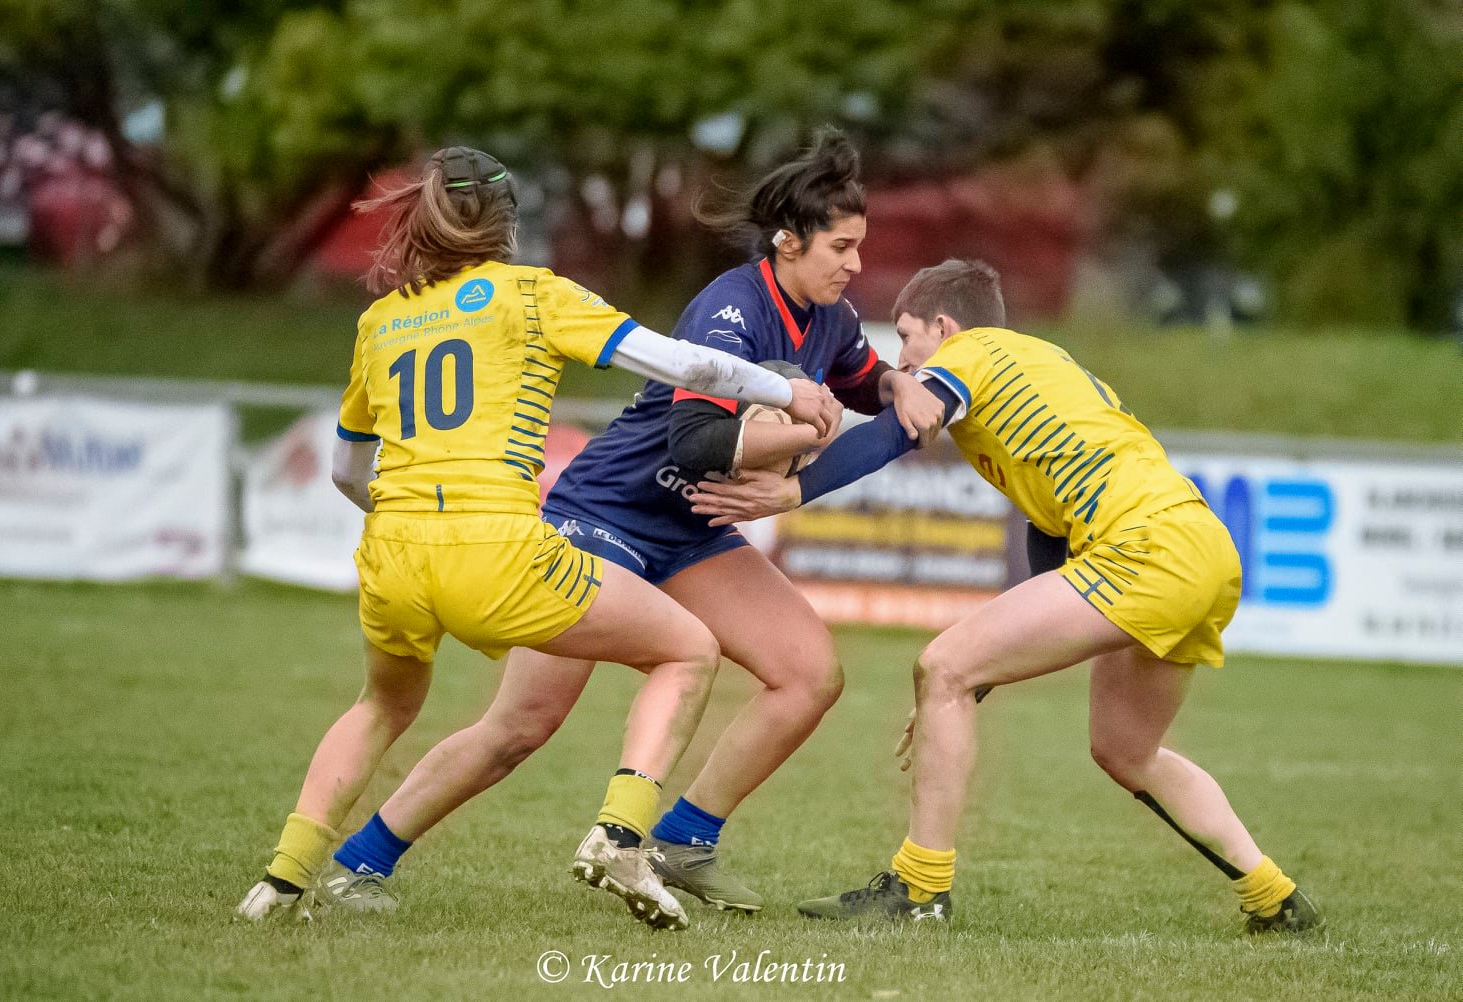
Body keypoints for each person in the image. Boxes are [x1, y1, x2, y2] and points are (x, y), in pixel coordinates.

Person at [312, 128, 946, 921]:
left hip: (688, 529)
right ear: (788, 242)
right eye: (841, 247)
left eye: (860, 248)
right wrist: (799, 434)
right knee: (520, 726)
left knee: (808, 672)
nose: (855, 265)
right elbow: (698, 440)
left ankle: (681, 840)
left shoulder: (830, 316)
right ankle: (358, 865)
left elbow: (856, 378)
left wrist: (897, 385)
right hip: (605, 513)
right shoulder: (730, 305)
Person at [689, 259, 1323, 933]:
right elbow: (1051, 543)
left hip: (1147, 547)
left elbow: (901, 426)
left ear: (945, 326)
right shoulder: (1037, 367)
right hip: (1198, 548)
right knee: (1124, 749)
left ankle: (919, 890)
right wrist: (981, 673)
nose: (901, 360)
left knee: (942, 666)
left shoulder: (974, 353)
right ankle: (1271, 895)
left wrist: (794, 492)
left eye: (907, 337)